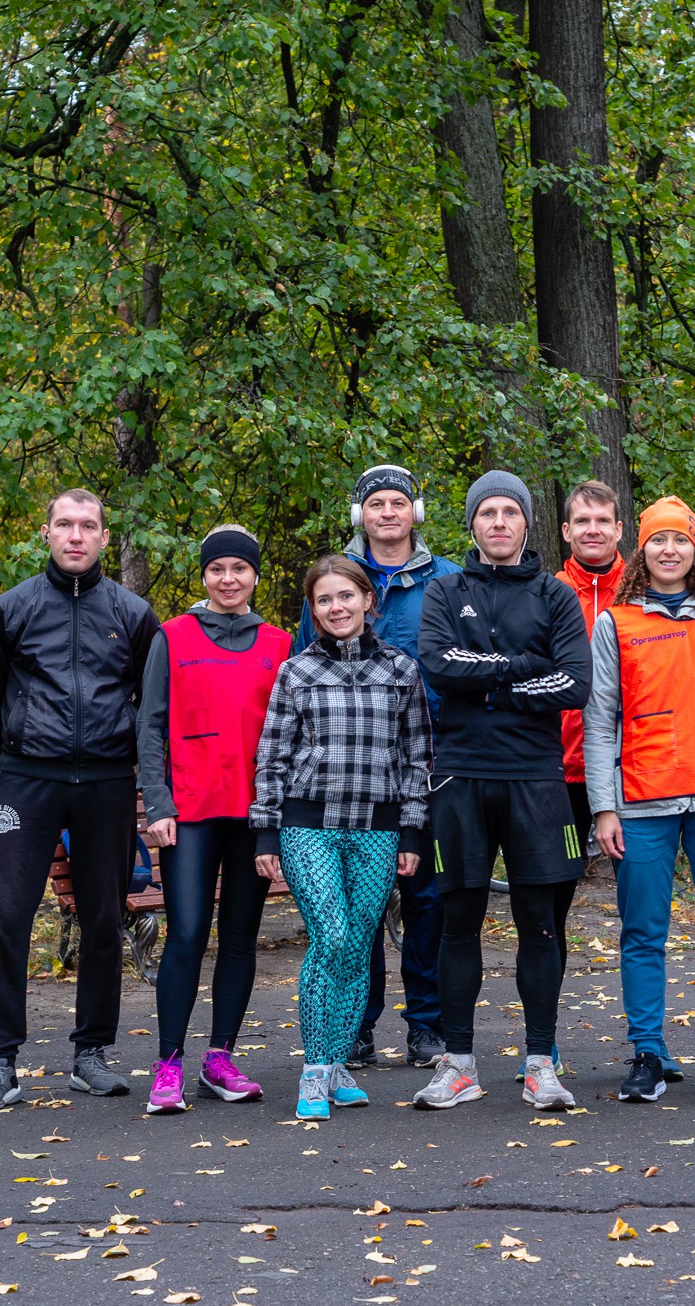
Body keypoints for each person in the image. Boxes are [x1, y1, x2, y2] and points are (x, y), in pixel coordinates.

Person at [0, 488, 160, 1110]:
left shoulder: (133, 614)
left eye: (89, 526)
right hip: (29, 780)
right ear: (45, 533)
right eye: (65, 525)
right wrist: (24, 751)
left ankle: (90, 1054)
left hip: (106, 781)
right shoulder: (11, 609)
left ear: (104, 537)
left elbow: (150, 706)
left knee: (105, 917)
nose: (77, 536)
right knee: (6, 915)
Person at [413, 470, 592, 1111]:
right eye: (486, 513)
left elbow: (574, 683)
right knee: (456, 922)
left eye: (508, 513)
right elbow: (435, 664)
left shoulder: (556, 595)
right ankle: (457, 1064)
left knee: (539, 924)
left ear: (526, 523)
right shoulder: (445, 590)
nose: (497, 523)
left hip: (536, 781)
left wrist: (487, 682)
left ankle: (540, 1063)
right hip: (460, 776)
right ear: (471, 524)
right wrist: (520, 673)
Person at [583, 496, 695, 1108]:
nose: (668, 550)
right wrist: (604, 807)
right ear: (642, 551)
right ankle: (648, 1054)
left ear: (694, 549)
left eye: (679, 540)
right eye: (657, 540)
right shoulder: (615, 624)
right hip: (642, 801)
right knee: (642, 933)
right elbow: (600, 718)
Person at [252, 556, 431, 1121]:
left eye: (346, 597)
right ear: (314, 609)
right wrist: (265, 833)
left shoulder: (401, 669)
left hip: (378, 827)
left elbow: (417, 757)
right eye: (325, 600)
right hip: (309, 824)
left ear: (367, 601)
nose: (337, 607)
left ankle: (338, 1064)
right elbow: (273, 755)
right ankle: (316, 1066)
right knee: (329, 935)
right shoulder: (296, 672)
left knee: (357, 944)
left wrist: (412, 829)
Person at [296, 465, 459, 1070]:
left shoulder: (447, 579)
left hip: (428, 762)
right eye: (376, 504)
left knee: (425, 898)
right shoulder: (338, 577)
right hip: (348, 775)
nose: (387, 513)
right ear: (359, 513)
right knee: (356, 903)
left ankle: (426, 1026)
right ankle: (356, 1026)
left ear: (414, 511)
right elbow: (303, 667)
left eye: (399, 503)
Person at [135, 525, 291, 1112]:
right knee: (189, 933)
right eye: (217, 569)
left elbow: (290, 737)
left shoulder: (278, 643)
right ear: (203, 575)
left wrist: (277, 819)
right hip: (191, 813)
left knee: (241, 940)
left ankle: (220, 1058)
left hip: (253, 815)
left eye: (240, 570)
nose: (228, 579)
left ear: (255, 576)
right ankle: (168, 1065)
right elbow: (149, 725)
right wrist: (158, 804)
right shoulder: (172, 636)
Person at [558, 479, 627, 852]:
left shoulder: (641, 591)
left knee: (635, 878)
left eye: (602, 521)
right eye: (583, 521)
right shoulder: (548, 593)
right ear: (567, 531)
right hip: (564, 764)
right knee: (561, 876)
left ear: (618, 530)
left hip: (629, 764)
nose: (593, 530)